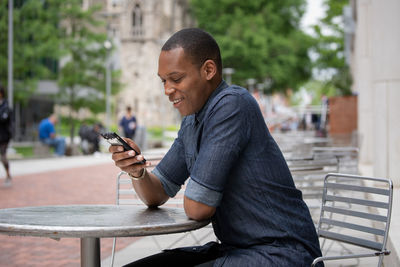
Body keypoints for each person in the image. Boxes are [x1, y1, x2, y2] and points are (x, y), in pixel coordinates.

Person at [109, 28, 323, 266]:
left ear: (208, 70)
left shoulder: (233, 105)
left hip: (283, 254)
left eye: (176, 79)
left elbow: (199, 208)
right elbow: (156, 193)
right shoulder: (191, 120)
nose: (167, 90)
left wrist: (198, 185)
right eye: (163, 81)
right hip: (238, 251)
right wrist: (137, 171)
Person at [0, 86, 12, 187]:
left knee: (3, 157)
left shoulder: (6, 106)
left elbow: (4, 119)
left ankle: (8, 175)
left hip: (3, 136)